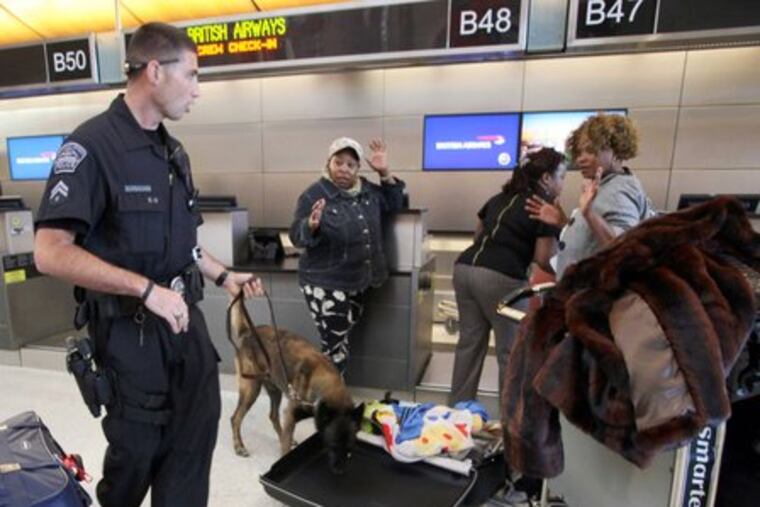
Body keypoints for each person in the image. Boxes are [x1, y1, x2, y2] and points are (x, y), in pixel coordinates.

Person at [33, 22, 263, 507]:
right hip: (130, 339)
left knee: (192, 450)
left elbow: (184, 245)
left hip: (186, 333)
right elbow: (50, 251)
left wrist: (223, 274)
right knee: (136, 458)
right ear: (155, 71)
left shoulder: (173, 153)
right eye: (193, 75)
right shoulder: (92, 146)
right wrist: (145, 290)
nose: (199, 91)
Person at [449, 148, 567, 405]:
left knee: (469, 346)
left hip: (464, 269)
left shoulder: (498, 198)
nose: (562, 184)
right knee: (511, 354)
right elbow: (544, 259)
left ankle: (456, 417)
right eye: (561, 176)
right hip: (503, 280)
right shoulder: (542, 208)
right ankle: (510, 426)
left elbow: (478, 235)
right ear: (546, 178)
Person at [289, 137, 405, 375]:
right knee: (334, 348)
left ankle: (319, 393)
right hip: (325, 282)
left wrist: (384, 172)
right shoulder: (314, 194)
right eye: (338, 162)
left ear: (358, 169)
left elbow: (394, 204)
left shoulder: (368, 190)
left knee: (338, 343)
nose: (344, 169)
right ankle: (331, 402)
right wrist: (309, 226)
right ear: (328, 163)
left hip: (360, 282)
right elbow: (296, 237)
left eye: (351, 164)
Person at [526, 114, 655, 279]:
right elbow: (592, 239)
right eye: (579, 152)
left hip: (592, 296)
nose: (580, 159)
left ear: (616, 151)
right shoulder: (607, 185)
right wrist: (563, 223)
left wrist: (589, 213)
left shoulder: (619, 190)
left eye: (591, 150)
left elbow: (624, 250)